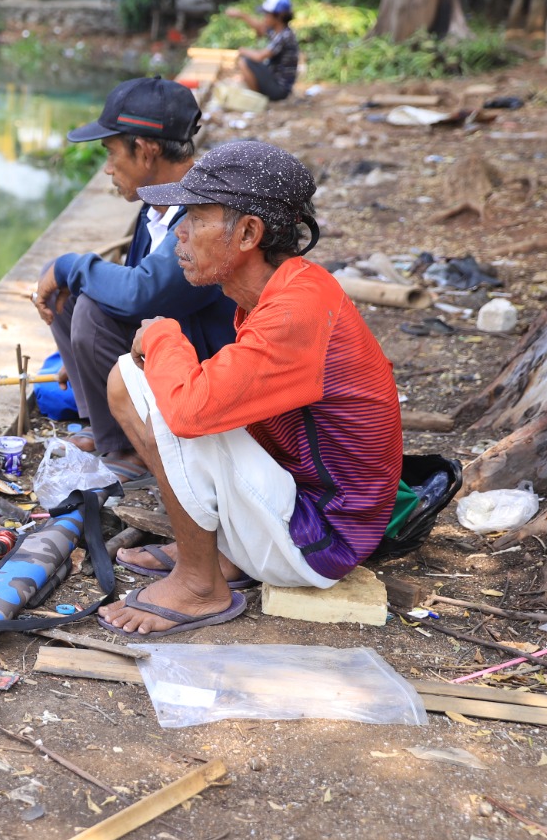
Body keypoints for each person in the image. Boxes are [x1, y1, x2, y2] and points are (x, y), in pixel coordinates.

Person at [97, 140, 403, 636]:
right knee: (136, 380)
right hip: (302, 507)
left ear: (247, 233)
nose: (180, 234)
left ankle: (200, 585)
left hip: (321, 539)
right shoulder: (288, 288)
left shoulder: (294, 311)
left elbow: (190, 414)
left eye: (196, 217)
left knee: (160, 395)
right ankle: (217, 554)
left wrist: (163, 333)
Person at [32, 77, 237, 484]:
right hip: (171, 341)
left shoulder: (202, 214)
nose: (107, 168)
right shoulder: (154, 207)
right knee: (72, 298)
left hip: (214, 372)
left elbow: (141, 293)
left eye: (110, 153)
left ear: (144, 151)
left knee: (90, 305)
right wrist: (83, 359)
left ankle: (133, 450)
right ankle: (105, 426)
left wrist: (69, 264)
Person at [225, 0, 300, 102]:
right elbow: (260, 28)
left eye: (267, 15)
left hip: (280, 89)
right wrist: (242, 15)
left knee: (244, 62)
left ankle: (258, 100)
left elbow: (260, 57)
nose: (264, 18)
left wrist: (242, 50)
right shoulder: (278, 31)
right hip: (276, 81)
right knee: (247, 60)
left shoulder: (284, 36)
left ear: (279, 16)